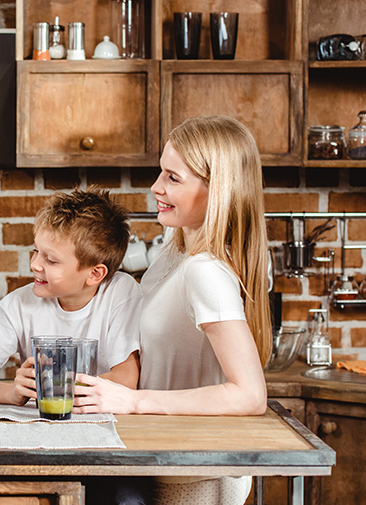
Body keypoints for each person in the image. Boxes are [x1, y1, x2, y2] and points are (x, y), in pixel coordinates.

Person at [74, 115, 272, 505]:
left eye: (173, 178)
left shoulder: (205, 271)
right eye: (161, 172)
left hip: (196, 471)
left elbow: (250, 396)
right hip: (163, 456)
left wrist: (132, 402)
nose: (156, 187)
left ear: (216, 189)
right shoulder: (175, 249)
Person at [0, 189, 141, 406]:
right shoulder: (17, 306)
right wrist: (12, 393)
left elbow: (126, 379)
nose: (35, 264)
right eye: (36, 251)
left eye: (51, 260)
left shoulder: (120, 292)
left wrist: (53, 386)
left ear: (94, 274)